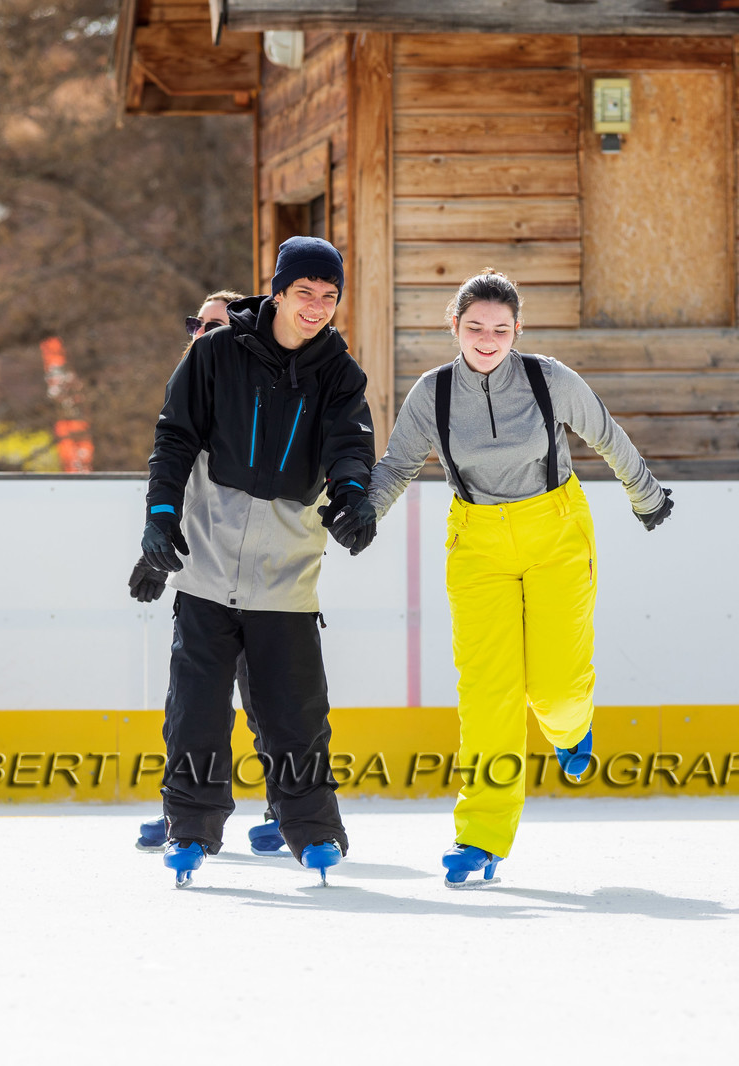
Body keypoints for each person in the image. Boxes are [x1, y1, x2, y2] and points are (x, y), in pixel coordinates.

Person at [364, 268, 673, 887]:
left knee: (555, 687)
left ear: (517, 330)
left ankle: (570, 727)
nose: (486, 338)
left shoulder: (548, 379)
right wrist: (361, 518)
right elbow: (397, 464)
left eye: (499, 329)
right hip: (476, 542)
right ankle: (480, 835)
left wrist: (646, 494)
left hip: (555, 530)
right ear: (454, 327)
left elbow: (605, 435)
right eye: (474, 326)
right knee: (487, 693)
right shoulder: (433, 393)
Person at [141, 236, 377, 886]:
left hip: (286, 566)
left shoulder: (339, 373)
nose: (317, 307)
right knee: (195, 709)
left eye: (329, 297)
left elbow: (350, 444)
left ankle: (315, 832)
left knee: (296, 710)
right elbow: (175, 437)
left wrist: (354, 496)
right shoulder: (216, 354)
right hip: (209, 561)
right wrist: (160, 516)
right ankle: (189, 829)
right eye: (305, 292)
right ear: (278, 289)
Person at [127, 291, 285, 858]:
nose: (202, 332)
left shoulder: (251, 392)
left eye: (215, 323)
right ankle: (183, 808)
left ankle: (284, 807)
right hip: (202, 576)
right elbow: (176, 484)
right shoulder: (187, 391)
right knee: (190, 703)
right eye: (196, 323)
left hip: (263, 574)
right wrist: (155, 553)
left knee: (267, 696)